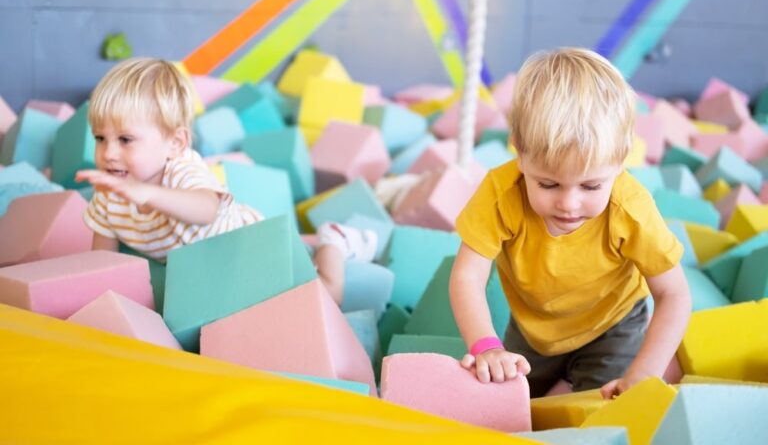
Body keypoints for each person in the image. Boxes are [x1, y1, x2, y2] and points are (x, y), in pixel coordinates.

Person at [449, 47, 691, 399]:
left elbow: (673, 293)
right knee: (504, 405)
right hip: (533, 329)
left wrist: (643, 373)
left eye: (591, 186)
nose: (568, 203)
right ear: (519, 151)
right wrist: (486, 346)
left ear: (621, 161)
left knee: (601, 413)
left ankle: (655, 365)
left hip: (612, 327)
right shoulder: (501, 193)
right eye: (547, 184)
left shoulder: (630, 207)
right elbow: (468, 275)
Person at [75, 57, 376, 305]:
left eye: (126, 140)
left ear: (176, 143)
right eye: (100, 138)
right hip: (206, 273)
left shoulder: (181, 170)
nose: (109, 153)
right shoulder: (110, 193)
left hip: (252, 247)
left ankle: (334, 241)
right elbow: (102, 264)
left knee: (325, 301)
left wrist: (147, 193)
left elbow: (207, 209)